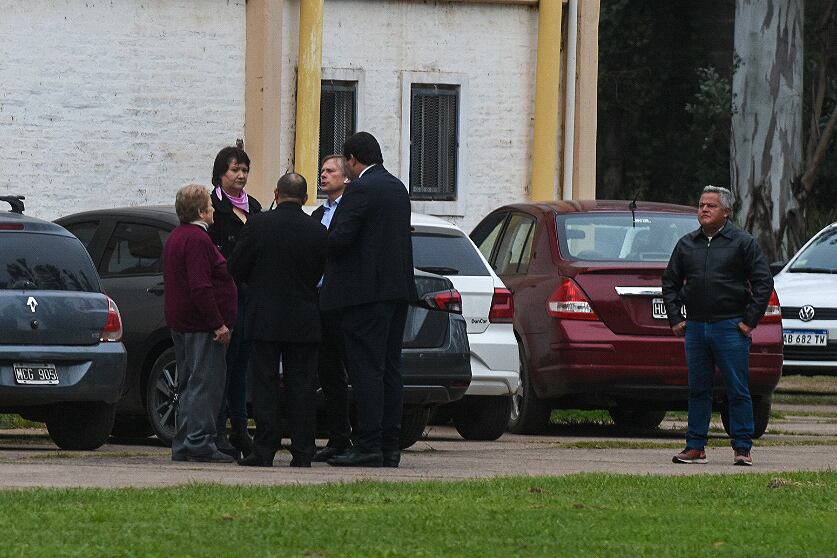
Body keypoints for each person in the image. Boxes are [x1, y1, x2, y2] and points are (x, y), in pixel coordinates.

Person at [319, 132, 417, 468]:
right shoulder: (397, 188)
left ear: (352, 159)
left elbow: (342, 238)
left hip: (364, 295)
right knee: (390, 368)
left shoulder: (360, 188)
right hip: (396, 290)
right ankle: (391, 445)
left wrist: (321, 242)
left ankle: (368, 444)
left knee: (365, 370)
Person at [662, 185, 773, 466]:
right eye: (701, 205)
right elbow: (670, 282)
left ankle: (742, 447)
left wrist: (749, 322)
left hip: (730, 328)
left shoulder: (743, 243)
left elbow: (763, 283)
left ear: (726, 212)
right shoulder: (687, 244)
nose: (704, 210)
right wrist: (675, 317)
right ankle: (695, 446)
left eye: (710, 205)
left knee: (737, 388)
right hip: (697, 328)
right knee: (698, 389)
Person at [228, 173, 327, 467]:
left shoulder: (258, 225)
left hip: (266, 316)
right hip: (304, 317)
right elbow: (321, 271)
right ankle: (303, 451)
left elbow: (236, 266)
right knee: (302, 386)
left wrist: (256, 285)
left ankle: (264, 449)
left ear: (276, 192)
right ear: (306, 197)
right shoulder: (317, 230)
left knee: (265, 384)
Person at [164, 184, 238, 463]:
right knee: (204, 383)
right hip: (200, 324)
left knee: (189, 383)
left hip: (183, 322)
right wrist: (218, 323)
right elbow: (200, 286)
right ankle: (199, 441)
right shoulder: (197, 239)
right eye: (210, 204)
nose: (214, 210)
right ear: (200, 211)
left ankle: (184, 441)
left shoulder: (176, 236)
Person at [208, 146, 262, 459]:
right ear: (220, 173)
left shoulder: (253, 207)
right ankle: (216, 429)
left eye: (244, 170)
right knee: (221, 367)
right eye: (234, 170)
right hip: (224, 296)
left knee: (241, 366)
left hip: (249, 296)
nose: (240, 176)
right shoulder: (212, 206)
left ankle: (239, 428)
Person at [311, 155, 352, 462]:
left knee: (349, 370)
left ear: (346, 177)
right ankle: (336, 436)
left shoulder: (351, 212)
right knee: (327, 372)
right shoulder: (316, 214)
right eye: (322, 171)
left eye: (330, 171)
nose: (323, 175)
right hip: (318, 301)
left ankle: (355, 435)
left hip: (345, 303)